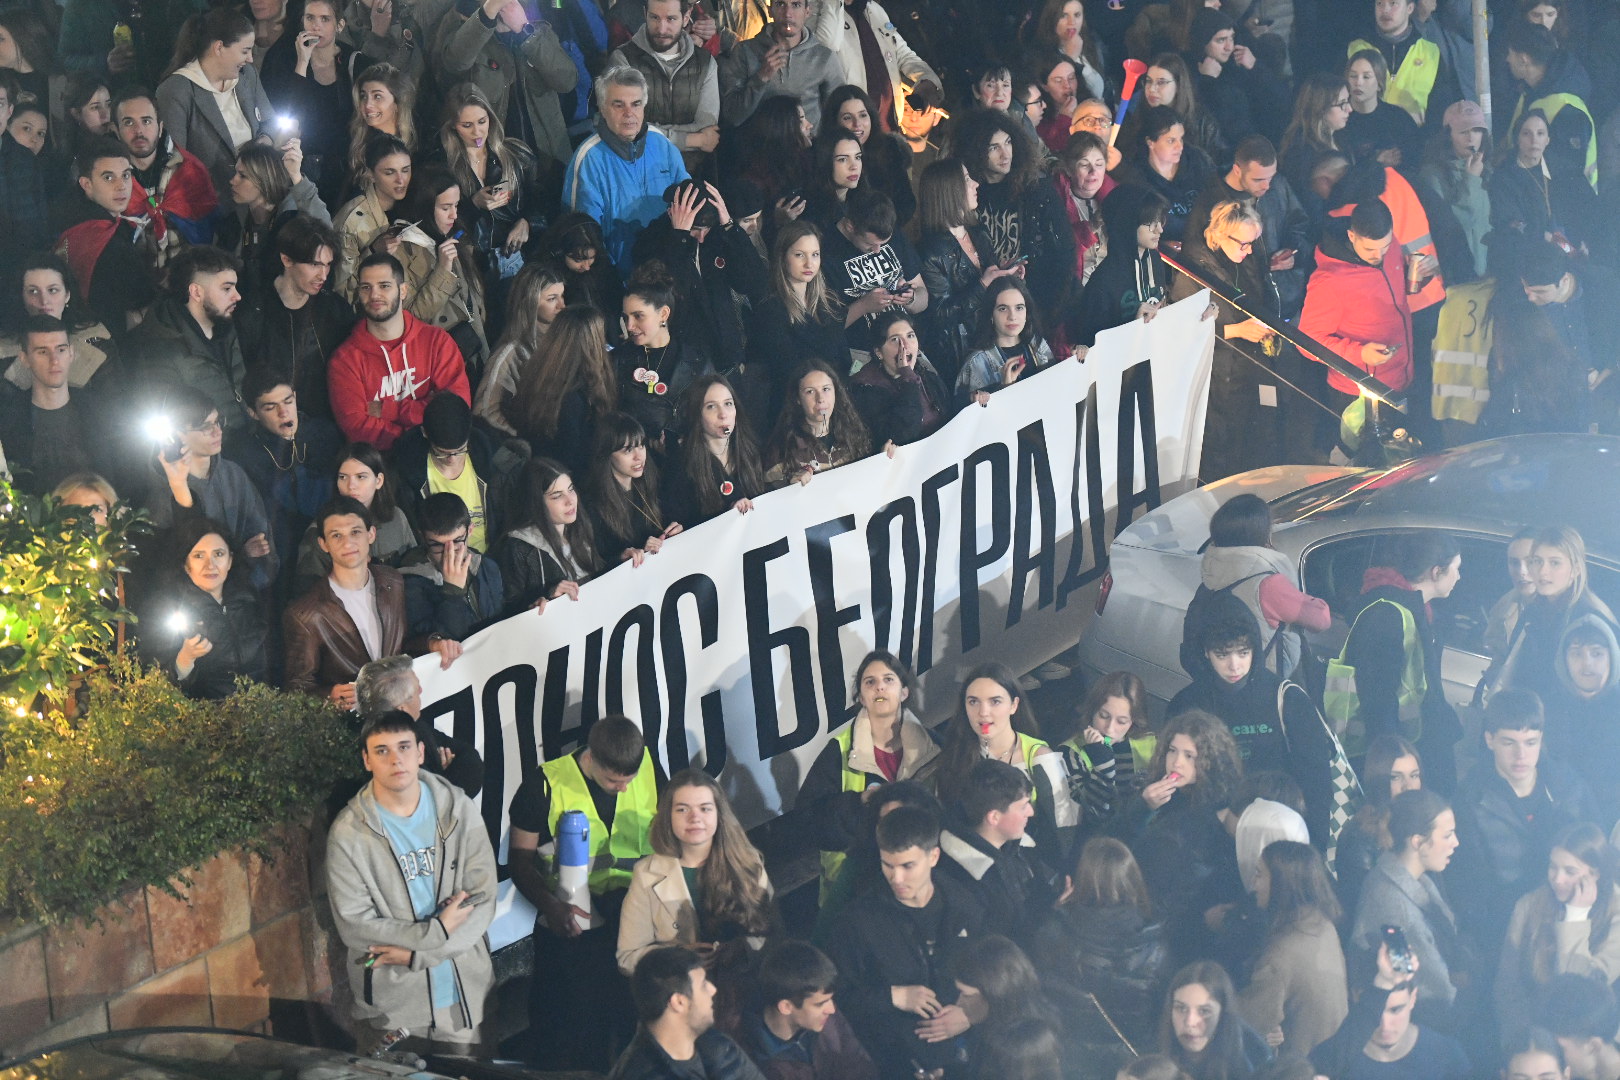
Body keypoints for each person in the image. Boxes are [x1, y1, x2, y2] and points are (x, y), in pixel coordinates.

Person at [326, 710, 497, 1053]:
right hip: (396, 1008)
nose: (396, 760)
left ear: (421, 752)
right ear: (366, 760)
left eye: (404, 747)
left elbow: (483, 898)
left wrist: (414, 956)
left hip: (464, 998)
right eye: (382, 750)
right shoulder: (347, 834)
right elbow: (354, 925)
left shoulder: (459, 809)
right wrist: (434, 933)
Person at [508, 715, 662, 1070]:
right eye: (613, 780)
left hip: (631, 920)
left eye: (629, 780)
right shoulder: (543, 785)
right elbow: (519, 862)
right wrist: (552, 906)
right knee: (565, 1034)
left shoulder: (649, 769)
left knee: (630, 1025)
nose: (622, 788)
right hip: (570, 927)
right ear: (590, 757)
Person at [1168, 585, 1336, 846]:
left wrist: (1315, 849)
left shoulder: (1287, 698)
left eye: (1243, 653)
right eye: (1222, 655)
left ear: (1255, 650)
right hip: (1210, 842)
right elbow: (1174, 786)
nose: (1234, 665)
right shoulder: (1186, 704)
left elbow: (1316, 783)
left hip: (1277, 838)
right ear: (1205, 652)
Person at [825, 804, 985, 1079]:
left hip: (964, 1059)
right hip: (892, 1063)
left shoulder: (965, 905)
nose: (896, 878)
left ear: (933, 856)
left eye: (908, 866)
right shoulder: (857, 922)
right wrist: (892, 997)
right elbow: (835, 998)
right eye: (888, 865)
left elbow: (996, 974)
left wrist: (972, 1014)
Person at [616, 768, 776, 1028]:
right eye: (682, 809)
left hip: (742, 1006)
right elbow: (627, 957)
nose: (694, 818)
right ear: (667, 816)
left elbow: (771, 933)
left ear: (719, 813)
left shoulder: (749, 864)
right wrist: (678, 958)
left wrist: (740, 949)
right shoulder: (646, 874)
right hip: (678, 1012)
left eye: (705, 808)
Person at [1453, 689, 1594, 956]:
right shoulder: (1470, 801)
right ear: (1489, 739)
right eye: (1509, 742)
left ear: (1542, 740)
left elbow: (1596, 854)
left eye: (1531, 742)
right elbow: (1469, 890)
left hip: (1572, 920)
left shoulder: (1570, 787)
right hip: (1505, 936)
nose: (1521, 755)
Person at [795, 649, 939, 900]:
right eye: (870, 682)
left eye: (888, 680)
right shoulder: (838, 750)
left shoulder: (934, 747)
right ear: (861, 697)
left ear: (904, 692)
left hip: (919, 881)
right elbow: (807, 823)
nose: (879, 688)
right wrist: (857, 804)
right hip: (853, 891)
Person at [1328, 532, 1464, 792]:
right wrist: (1396, 758)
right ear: (1437, 572)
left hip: (1414, 743)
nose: (1459, 577)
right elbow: (1379, 696)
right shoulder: (1387, 614)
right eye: (1456, 569)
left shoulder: (1413, 609)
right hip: (1401, 750)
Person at [1125, 709, 1246, 965]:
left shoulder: (1221, 812)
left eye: (1189, 756)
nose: (1176, 762)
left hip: (1184, 930)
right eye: (1172, 750)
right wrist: (1142, 808)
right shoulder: (1154, 793)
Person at [1298, 199, 1415, 458]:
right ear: (1351, 236)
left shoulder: (1391, 247)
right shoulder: (1330, 280)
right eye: (1371, 249)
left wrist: (1418, 275)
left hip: (1400, 380)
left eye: (1385, 247)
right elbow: (1306, 342)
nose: (1379, 256)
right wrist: (1359, 353)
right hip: (1357, 396)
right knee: (1361, 470)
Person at [1032, 836, 1169, 1050]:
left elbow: (1041, 994)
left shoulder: (1054, 934)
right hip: (1132, 1058)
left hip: (1072, 1057)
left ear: (1083, 876)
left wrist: (1057, 911)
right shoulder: (1155, 945)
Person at [432, 0, 578, 199]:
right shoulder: (459, 20)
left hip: (548, 159)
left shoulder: (534, 21)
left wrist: (525, 31)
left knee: (552, 215)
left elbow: (567, 81)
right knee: (509, 216)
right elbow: (454, 63)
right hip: (497, 165)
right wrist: (487, 14)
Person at [327, 252, 471, 451]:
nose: (374, 295)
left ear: (403, 291)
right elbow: (357, 428)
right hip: (380, 466)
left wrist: (388, 410)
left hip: (438, 456)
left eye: (384, 286)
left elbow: (456, 410)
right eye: (366, 288)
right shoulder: (345, 360)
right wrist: (421, 427)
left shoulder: (437, 342)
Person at [142, 386, 278, 592]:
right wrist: (241, 554)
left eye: (217, 422)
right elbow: (167, 562)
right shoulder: (163, 494)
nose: (217, 431)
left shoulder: (233, 475)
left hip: (246, 594)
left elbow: (262, 540)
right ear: (177, 435)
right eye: (205, 427)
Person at [222, 363, 340, 596]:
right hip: (280, 553)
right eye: (270, 407)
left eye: (288, 401)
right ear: (253, 413)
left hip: (329, 535)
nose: (284, 413)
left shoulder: (322, 433)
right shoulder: (244, 454)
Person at [1349, 789, 1466, 1023]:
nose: (1456, 842)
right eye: (1448, 835)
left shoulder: (1409, 877)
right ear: (1418, 842)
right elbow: (1432, 986)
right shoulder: (1393, 907)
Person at [631, 178, 767, 378]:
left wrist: (730, 227)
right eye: (696, 229)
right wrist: (680, 237)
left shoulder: (718, 236)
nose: (702, 237)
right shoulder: (653, 241)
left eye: (707, 229)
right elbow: (672, 293)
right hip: (682, 359)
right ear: (672, 213)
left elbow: (752, 281)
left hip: (725, 354)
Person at [1496, 823, 1620, 1040]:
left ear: (1596, 873)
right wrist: (1525, 1040)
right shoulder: (1530, 905)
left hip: (1591, 1042)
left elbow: (1577, 990)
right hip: (1536, 1035)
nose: (1557, 879)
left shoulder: (1616, 912)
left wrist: (1576, 915)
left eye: (1570, 871)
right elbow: (1508, 986)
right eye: (1553, 867)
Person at [934, 662, 1075, 853]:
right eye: (973, 701)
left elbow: (1064, 826)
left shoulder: (1038, 756)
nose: (983, 712)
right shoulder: (955, 756)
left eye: (995, 701)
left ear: (1014, 705)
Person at [564, 66, 690, 274]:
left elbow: (687, 201)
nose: (629, 114)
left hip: (669, 271)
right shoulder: (588, 158)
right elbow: (582, 237)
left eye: (636, 104)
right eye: (618, 105)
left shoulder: (662, 144)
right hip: (620, 278)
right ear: (603, 108)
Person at [283, 496, 408, 706]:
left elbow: (404, 645)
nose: (348, 543)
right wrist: (329, 698)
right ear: (323, 544)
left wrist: (433, 642)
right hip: (352, 726)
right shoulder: (306, 615)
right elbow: (297, 688)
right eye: (336, 535)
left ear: (371, 534)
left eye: (355, 532)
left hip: (399, 711)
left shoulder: (393, 582)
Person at [954, 107, 1076, 318]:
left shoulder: (1037, 190)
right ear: (976, 151)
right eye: (994, 147)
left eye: (1008, 142)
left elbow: (1064, 251)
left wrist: (1048, 310)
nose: (1005, 154)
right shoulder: (967, 194)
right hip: (982, 308)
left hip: (1035, 303)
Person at [1196, 494, 1332, 681]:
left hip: (1227, 674)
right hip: (1266, 677)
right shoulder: (1268, 584)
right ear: (1262, 533)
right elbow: (1321, 620)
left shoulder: (1212, 567)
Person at [234, 213, 355, 422]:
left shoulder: (336, 310)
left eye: (327, 264)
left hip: (324, 425)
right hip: (270, 426)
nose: (323, 275)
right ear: (286, 259)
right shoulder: (252, 312)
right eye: (314, 265)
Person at [138, 517, 270, 698]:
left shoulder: (248, 600)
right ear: (186, 565)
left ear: (230, 561)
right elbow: (154, 684)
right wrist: (185, 659)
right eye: (199, 556)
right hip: (204, 719)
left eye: (219, 554)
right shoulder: (166, 611)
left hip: (259, 713)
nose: (210, 565)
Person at [1237, 840, 1347, 1057]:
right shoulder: (1323, 925)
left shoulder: (1279, 958)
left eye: (1259, 874)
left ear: (1281, 883)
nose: (1254, 883)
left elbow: (1243, 1027)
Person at [155, 8, 274, 204]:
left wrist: (265, 141)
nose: (251, 58)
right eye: (245, 51)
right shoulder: (176, 89)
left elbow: (269, 121)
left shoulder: (247, 75)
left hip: (253, 197)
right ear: (219, 48)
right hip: (208, 204)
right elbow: (174, 161)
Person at [1184, 137, 1313, 318]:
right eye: (1258, 179)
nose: (1267, 186)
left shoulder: (1278, 186)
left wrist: (1292, 250)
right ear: (1237, 170)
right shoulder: (1210, 203)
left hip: (1286, 301)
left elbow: (1299, 224)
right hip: (1244, 307)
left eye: (1271, 177)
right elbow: (1199, 256)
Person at [124, 244, 246, 434]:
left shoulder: (226, 327)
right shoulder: (159, 348)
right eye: (227, 289)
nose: (237, 296)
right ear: (196, 292)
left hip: (249, 446)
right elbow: (172, 432)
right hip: (210, 455)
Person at [437, 82, 543, 298]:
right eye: (467, 125)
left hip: (516, 259)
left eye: (482, 122)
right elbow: (446, 229)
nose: (477, 132)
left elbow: (541, 200)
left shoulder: (515, 155)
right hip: (473, 265)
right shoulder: (443, 167)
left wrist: (527, 222)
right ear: (452, 127)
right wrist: (472, 205)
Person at [1309, 938, 1471, 1080]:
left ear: (1413, 998)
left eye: (1396, 1010)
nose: (1385, 1025)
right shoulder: (1334, 1059)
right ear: (1356, 996)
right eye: (1378, 1010)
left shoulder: (1447, 1057)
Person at [1493, 527, 1620, 708]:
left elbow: (1597, 696)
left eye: (1555, 563)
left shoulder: (1588, 622)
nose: (1543, 571)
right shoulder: (1534, 611)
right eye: (1537, 561)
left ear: (1575, 569)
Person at [0, 315, 124, 496]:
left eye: (61, 350)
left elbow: (121, 474)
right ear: (24, 359)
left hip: (97, 520)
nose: (54, 360)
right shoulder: (8, 420)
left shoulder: (99, 411)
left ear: (71, 353)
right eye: (42, 351)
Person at [938, 759, 1067, 932]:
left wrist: (1056, 902)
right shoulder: (963, 880)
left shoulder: (1021, 847)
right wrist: (1052, 915)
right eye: (1023, 806)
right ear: (994, 817)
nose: (1031, 812)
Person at [609, 946, 768, 1080]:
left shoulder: (720, 1046)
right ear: (678, 1002)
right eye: (704, 984)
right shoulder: (641, 1074)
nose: (713, 990)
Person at [258, 0, 360, 208]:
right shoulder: (283, 59)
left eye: (325, 19)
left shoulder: (352, 60)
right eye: (310, 18)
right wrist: (302, 63)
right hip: (301, 163)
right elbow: (290, 113)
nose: (316, 26)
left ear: (339, 25)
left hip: (343, 165)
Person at [54, 138, 159, 334]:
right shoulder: (107, 242)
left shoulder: (73, 218)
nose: (121, 186)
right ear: (86, 184)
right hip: (110, 338)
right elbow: (144, 296)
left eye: (126, 175)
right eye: (108, 178)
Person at [744, 223, 848, 419]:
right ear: (783, 258)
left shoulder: (830, 303)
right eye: (800, 255)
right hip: (791, 407)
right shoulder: (770, 309)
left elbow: (843, 358)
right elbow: (785, 369)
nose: (810, 264)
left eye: (815, 254)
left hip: (834, 399)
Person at [608, 0, 722, 175]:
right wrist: (693, 139)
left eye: (670, 19)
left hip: (690, 173)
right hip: (637, 171)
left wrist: (652, 131)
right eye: (654, 18)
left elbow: (706, 127)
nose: (661, 29)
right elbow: (627, 129)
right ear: (645, 13)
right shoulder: (624, 59)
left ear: (685, 19)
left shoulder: (705, 63)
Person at [738, 938, 878, 1080]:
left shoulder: (827, 1019)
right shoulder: (749, 1061)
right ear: (786, 1007)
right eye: (820, 1004)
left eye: (831, 999)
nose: (832, 1009)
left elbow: (861, 1066)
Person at [353, 652, 485, 798]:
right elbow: (428, 804)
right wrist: (444, 777)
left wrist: (439, 780)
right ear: (401, 709)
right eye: (416, 689)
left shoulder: (417, 725)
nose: (421, 691)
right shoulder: (386, 756)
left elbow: (470, 759)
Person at [111, 86, 218, 260]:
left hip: (186, 274)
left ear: (160, 128)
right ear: (116, 130)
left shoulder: (190, 170)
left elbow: (206, 230)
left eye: (146, 121)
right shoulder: (105, 178)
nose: (139, 131)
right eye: (129, 122)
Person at [507, 303, 616, 475]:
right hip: (567, 485)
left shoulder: (540, 376)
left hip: (543, 476)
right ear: (592, 342)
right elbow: (574, 459)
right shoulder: (574, 398)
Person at [294, 442, 418, 590]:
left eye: (361, 477)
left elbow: (415, 566)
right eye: (343, 477)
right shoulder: (321, 531)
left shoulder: (395, 517)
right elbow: (309, 595)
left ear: (378, 481)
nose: (351, 485)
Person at [614, 260, 712, 447]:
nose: (629, 326)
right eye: (625, 317)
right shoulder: (618, 361)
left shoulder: (698, 362)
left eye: (638, 316)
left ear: (664, 314)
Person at [490, 456, 603, 616]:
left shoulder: (580, 527)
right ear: (536, 503)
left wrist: (622, 561)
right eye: (557, 496)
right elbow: (509, 609)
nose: (570, 501)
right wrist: (546, 597)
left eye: (571, 490)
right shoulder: (517, 547)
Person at [215, 142, 331, 296]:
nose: (233, 180)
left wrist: (296, 176)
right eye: (235, 172)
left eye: (242, 176)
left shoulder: (291, 218)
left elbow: (326, 232)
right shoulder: (234, 221)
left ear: (264, 180)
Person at [400, 491, 505, 657]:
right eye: (437, 545)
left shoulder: (486, 567)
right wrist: (453, 592)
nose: (450, 553)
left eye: (457, 542)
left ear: (470, 530)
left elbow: (502, 619)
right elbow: (442, 640)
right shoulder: (411, 583)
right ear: (423, 538)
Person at [1491, 109, 1604, 261]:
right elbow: (1509, 222)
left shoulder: (1565, 169)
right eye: (1526, 133)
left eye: (1540, 133)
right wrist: (1544, 237)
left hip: (1574, 249)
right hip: (1531, 255)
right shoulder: (1504, 178)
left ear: (1548, 140)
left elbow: (1588, 208)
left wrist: (1587, 240)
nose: (1534, 140)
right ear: (1517, 139)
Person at [474, 261, 568, 435]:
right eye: (552, 299)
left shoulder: (565, 341)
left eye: (562, 296)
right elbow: (485, 411)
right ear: (530, 301)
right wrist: (524, 438)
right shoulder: (510, 354)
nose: (562, 306)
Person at [1072, 185, 1170, 350]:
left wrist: (1199, 315)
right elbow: (1093, 346)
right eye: (1151, 224)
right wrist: (1133, 326)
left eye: (1160, 221)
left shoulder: (1154, 259)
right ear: (1128, 224)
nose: (1159, 229)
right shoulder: (1103, 282)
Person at [1058, 671, 1157, 834]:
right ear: (1092, 712)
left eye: (1121, 721)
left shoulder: (1150, 743)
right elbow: (1093, 817)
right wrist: (1103, 766)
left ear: (1134, 721)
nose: (1110, 729)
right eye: (1104, 716)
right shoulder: (1070, 753)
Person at [1502, 21, 1597, 189]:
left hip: (1566, 208)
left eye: (1510, 53)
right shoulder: (1531, 92)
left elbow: (1566, 172)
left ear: (1524, 59)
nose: (1507, 59)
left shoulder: (1567, 108)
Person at [661, 374, 765, 526]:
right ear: (697, 414)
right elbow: (681, 524)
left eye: (728, 404)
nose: (723, 414)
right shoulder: (682, 464)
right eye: (711, 406)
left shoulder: (750, 450)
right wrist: (727, 515)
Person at [719, 0, 842, 127]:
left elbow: (839, 112)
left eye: (796, 5)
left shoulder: (824, 57)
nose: (788, 14)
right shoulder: (744, 52)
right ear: (770, 10)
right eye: (780, 4)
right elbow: (732, 115)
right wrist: (760, 79)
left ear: (807, 11)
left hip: (809, 144)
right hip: (759, 144)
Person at [1547, 617, 1620, 826]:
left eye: (1597, 653)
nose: (1587, 663)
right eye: (1576, 653)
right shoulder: (1546, 708)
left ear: (1612, 657)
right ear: (1564, 659)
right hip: (1554, 821)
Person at [1113, 104, 1216, 247]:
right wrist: (1161, 245)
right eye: (1171, 140)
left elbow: (1217, 200)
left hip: (1206, 243)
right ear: (1151, 142)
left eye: (1181, 138)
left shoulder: (1198, 161)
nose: (1179, 146)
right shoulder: (1136, 173)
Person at [586, 412, 683, 564]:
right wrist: (625, 556)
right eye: (628, 450)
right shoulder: (594, 504)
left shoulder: (652, 481)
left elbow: (669, 520)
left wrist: (674, 529)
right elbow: (598, 561)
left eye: (641, 446)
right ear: (607, 454)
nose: (639, 456)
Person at [1343, 0, 1459, 127]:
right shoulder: (1355, 49)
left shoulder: (1431, 53)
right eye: (1379, 4)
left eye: (1393, 3)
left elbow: (1441, 108)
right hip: (1364, 140)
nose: (1385, 10)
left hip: (1414, 141)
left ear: (1409, 8)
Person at [815, 85, 917, 229]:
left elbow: (907, 203)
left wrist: (882, 229)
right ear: (834, 122)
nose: (857, 124)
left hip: (887, 232)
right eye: (847, 118)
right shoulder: (820, 154)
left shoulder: (889, 147)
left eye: (863, 115)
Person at [762, 359, 871, 487]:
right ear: (797, 398)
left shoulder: (854, 435)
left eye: (826, 389)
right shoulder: (781, 449)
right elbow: (770, 498)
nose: (820, 399)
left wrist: (887, 457)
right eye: (810, 391)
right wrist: (789, 486)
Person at [1158, 960, 1273, 1080]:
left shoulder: (1254, 1067)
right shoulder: (1152, 1057)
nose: (1190, 1022)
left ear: (1223, 1015)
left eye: (1204, 1011)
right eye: (1181, 1008)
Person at [848, 311, 949, 447]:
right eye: (895, 339)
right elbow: (903, 434)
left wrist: (970, 400)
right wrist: (908, 378)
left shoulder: (926, 375)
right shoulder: (865, 388)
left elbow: (950, 412)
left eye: (910, 336)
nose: (905, 345)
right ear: (879, 352)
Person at [332, 134, 413, 301]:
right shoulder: (351, 222)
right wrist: (373, 251)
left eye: (406, 170)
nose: (401, 180)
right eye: (389, 172)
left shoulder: (411, 205)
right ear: (370, 174)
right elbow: (342, 290)